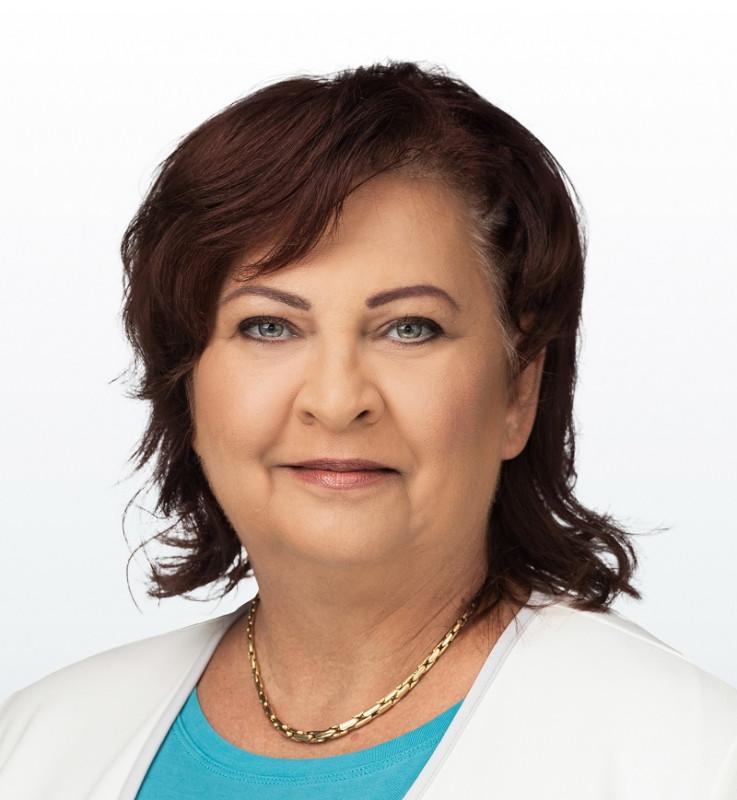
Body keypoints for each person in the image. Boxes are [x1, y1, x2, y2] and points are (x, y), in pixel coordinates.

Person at [1, 60, 736, 800]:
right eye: (268, 326)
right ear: (185, 383)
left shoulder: (688, 758)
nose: (336, 399)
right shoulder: (36, 744)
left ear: (518, 390)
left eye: (409, 328)